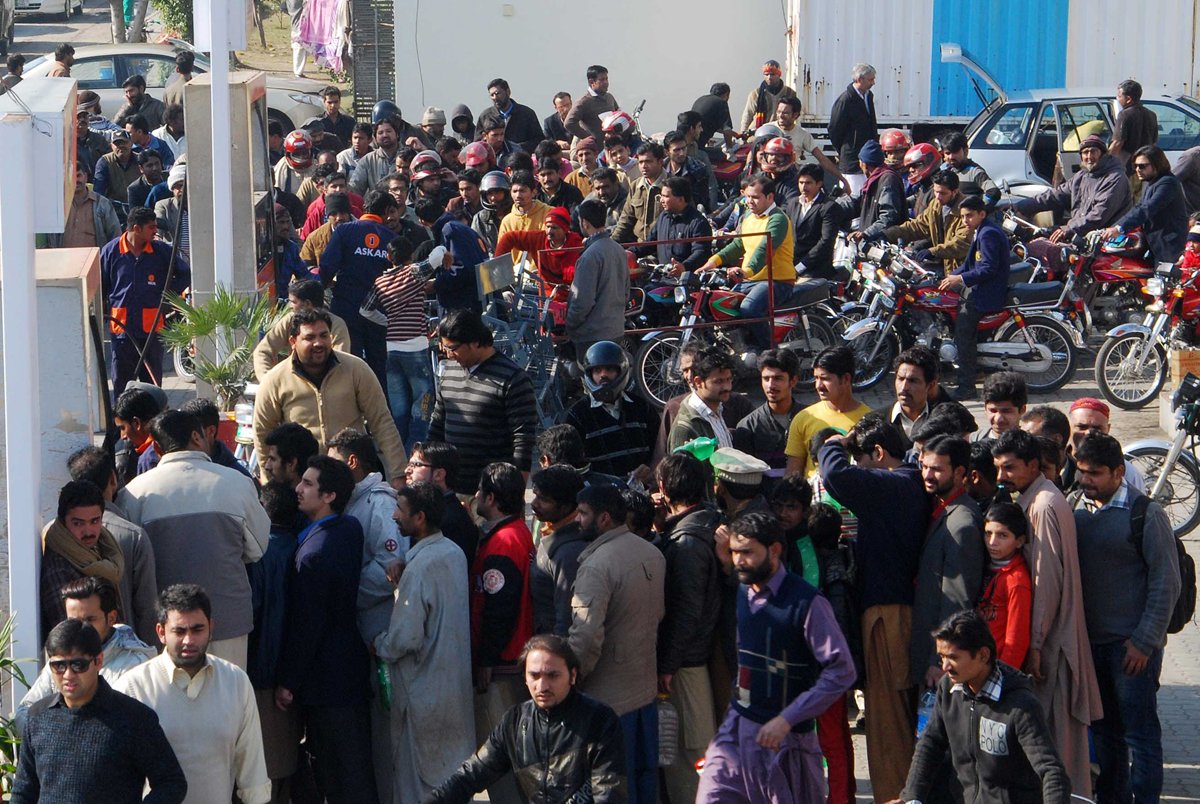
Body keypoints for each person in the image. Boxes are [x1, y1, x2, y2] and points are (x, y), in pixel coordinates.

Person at [698, 511, 856, 803]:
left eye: (747, 553)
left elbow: (842, 670)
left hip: (788, 743)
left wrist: (788, 718)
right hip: (736, 732)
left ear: (774, 550)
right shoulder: (744, 591)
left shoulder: (807, 603)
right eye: (734, 552)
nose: (738, 561)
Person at [818, 415, 930, 801]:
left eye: (862, 459)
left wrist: (836, 443)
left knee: (888, 721)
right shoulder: (911, 481)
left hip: (888, 613)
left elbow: (835, 477)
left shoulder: (893, 484)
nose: (860, 468)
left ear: (878, 453)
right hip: (899, 609)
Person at [991, 429, 1102, 799]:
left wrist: (1035, 645)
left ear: (1034, 466)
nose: (1001, 477)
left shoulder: (1041, 505)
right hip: (1052, 639)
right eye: (998, 468)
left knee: (1057, 750)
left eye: (1009, 468)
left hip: (1054, 644)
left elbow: (1046, 581)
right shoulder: (1039, 498)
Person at [1072, 432, 1180, 804]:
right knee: (1105, 736)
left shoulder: (1145, 514)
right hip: (1092, 647)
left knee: (1141, 737)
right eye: (1081, 471)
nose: (1086, 480)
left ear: (1119, 472)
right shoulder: (1074, 507)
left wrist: (1144, 642)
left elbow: (1166, 583)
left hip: (1132, 652)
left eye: (1095, 474)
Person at [118, 411, 271, 667]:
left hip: (167, 626)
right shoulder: (238, 483)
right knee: (226, 698)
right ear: (198, 437)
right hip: (227, 620)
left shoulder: (133, 494)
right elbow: (257, 548)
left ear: (156, 446)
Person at [273, 457, 378, 802]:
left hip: (326, 679)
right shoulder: (348, 529)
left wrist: (289, 681)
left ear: (329, 495)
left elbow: (308, 624)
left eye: (307, 484)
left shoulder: (313, 554)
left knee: (340, 772)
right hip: (348, 668)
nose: (298, 489)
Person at [894, 610, 1071, 804]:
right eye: (941, 657)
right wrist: (911, 797)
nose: (945, 666)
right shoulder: (949, 688)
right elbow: (930, 744)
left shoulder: (1020, 705)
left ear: (983, 655)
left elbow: (1052, 772)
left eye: (953, 657)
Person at [115, 584, 270, 803]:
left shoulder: (236, 682)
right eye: (179, 631)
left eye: (197, 630)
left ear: (211, 628)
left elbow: (252, 770)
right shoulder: (132, 688)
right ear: (161, 632)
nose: (189, 640)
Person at [428, 635, 626, 802]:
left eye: (553, 676)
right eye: (534, 676)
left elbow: (609, 793)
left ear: (572, 676)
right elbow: (471, 774)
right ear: (524, 677)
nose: (542, 686)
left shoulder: (600, 721)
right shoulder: (515, 722)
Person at [373, 482, 474, 804]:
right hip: (453, 691)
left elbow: (405, 638)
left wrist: (379, 642)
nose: (394, 515)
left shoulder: (422, 566)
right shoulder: (453, 553)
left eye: (400, 510)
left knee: (418, 786)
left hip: (422, 694)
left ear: (419, 518)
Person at [13, 618, 186, 804]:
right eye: (59, 666)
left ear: (98, 661)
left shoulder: (134, 718)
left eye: (78, 665)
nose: (68, 675)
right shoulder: (38, 717)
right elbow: (24, 792)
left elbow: (171, 783)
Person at [568, 483, 666, 804]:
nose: (577, 520)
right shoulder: (651, 552)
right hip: (644, 695)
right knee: (643, 782)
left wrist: (569, 681)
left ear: (605, 518)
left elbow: (585, 637)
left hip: (607, 703)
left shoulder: (597, 566)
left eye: (583, 514)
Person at [253, 308, 408, 485]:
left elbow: (382, 421)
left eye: (324, 335)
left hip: (353, 479)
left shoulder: (356, 369)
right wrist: (269, 482)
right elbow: (262, 433)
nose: (318, 343)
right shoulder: (275, 380)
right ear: (293, 341)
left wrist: (398, 474)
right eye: (310, 338)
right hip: (303, 485)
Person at [654, 452, 723, 803]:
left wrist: (667, 665)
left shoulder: (685, 544)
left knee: (690, 754)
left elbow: (686, 612)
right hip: (703, 656)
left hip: (688, 665)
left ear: (664, 489)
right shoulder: (708, 524)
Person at [469, 462, 535, 804]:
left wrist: (486, 660)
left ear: (491, 498)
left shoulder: (503, 543)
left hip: (503, 668)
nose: (476, 496)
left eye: (480, 492)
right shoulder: (518, 532)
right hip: (513, 661)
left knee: (502, 759)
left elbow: (500, 608)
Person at [18, 577, 156, 733]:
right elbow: (25, 713)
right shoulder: (60, 658)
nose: (81, 628)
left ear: (111, 618)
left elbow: (130, 725)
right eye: (72, 621)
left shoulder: (134, 663)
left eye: (89, 620)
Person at [428, 310, 537, 493]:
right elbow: (437, 423)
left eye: (453, 348)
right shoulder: (449, 371)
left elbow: (523, 442)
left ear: (475, 342)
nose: (448, 355)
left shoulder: (513, 378)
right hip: (451, 490)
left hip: (492, 495)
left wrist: (515, 494)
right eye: (444, 348)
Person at [912, 435, 985, 691]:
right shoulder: (940, 508)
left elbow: (957, 601)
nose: (928, 475)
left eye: (937, 469)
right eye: (925, 467)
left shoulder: (961, 524)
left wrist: (939, 659)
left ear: (960, 472)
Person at [65, 446, 159, 644]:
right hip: (124, 653)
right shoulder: (133, 536)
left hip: (72, 654)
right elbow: (147, 608)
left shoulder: (54, 534)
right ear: (113, 480)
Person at [246, 482, 303, 804]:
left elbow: (253, 609)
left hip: (261, 669)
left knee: (263, 763)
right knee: (282, 760)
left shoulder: (258, 552)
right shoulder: (300, 543)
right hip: (288, 669)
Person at [100, 206, 191, 397]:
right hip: (122, 331)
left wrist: (167, 295)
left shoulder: (161, 251)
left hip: (152, 329)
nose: (155, 231)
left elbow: (185, 273)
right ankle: (121, 425)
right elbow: (101, 285)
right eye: (151, 227)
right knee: (122, 385)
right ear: (136, 228)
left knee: (152, 385)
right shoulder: (111, 251)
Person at [697, 174, 796, 350]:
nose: (750, 201)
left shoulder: (777, 219)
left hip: (776, 281)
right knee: (722, 306)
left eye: (756, 197)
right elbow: (738, 244)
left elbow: (764, 250)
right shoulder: (749, 217)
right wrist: (712, 262)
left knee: (749, 308)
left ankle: (770, 353)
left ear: (770, 197)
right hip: (750, 280)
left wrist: (747, 271)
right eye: (748, 196)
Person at [1011, 134, 1133, 276]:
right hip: (1078, 234)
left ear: (1103, 154)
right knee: (1032, 245)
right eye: (1085, 153)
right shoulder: (1082, 176)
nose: (1089, 156)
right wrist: (1020, 206)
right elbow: (1055, 196)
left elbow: (1099, 215)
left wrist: (1067, 229)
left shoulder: (1115, 178)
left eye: (1093, 151)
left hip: (1101, 241)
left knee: (1048, 252)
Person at [326, 428, 405, 645]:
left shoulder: (380, 503)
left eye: (334, 462)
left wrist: (350, 591)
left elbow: (389, 568)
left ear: (352, 461)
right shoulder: (351, 500)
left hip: (379, 622)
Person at [938, 195, 1010, 398]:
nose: (964, 221)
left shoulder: (988, 234)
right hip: (979, 288)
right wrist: (950, 277)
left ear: (982, 214)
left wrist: (959, 278)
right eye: (962, 217)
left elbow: (987, 268)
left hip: (987, 293)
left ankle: (967, 386)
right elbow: (971, 265)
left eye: (969, 216)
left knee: (964, 334)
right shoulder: (982, 230)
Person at [39, 480, 126, 642]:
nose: (88, 531)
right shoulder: (59, 568)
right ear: (63, 521)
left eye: (94, 521)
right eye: (78, 523)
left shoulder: (103, 546)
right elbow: (67, 638)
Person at [560, 341, 658, 478]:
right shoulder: (577, 415)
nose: (603, 376)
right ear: (589, 374)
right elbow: (570, 466)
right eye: (597, 370)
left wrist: (649, 468)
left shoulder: (642, 408)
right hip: (599, 495)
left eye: (609, 370)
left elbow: (658, 450)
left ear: (621, 372)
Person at [785, 345, 872, 476]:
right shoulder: (803, 418)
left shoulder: (869, 420)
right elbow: (793, 473)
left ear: (846, 379)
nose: (818, 386)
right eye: (816, 378)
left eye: (825, 379)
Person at [1099, 144, 1188, 265]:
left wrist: (1119, 228)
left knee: (1163, 282)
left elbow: (1147, 208)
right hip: (1152, 244)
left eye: (1142, 166)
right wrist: (1114, 227)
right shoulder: (1151, 182)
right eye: (1135, 166)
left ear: (1157, 164)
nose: (1137, 170)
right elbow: (1138, 207)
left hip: (1168, 247)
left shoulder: (1168, 183)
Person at [529, 464, 588, 634]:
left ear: (566, 506)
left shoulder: (568, 553)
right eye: (535, 496)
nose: (534, 504)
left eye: (543, 500)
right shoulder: (553, 531)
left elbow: (566, 617)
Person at [252, 278, 350, 380]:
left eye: (293, 302)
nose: (289, 306)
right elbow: (262, 351)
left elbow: (339, 362)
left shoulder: (337, 325)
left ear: (307, 304)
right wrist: (267, 381)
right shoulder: (290, 320)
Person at [567, 199, 630, 354]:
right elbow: (626, 291)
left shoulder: (589, 256)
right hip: (616, 330)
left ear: (584, 223)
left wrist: (570, 324)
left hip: (591, 335)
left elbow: (582, 300)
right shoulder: (619, 249)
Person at [879, 169, 971, 272]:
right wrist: (888, 234)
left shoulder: (968, 211)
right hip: (944, 266)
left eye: (942, 193)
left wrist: (932, 251)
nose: (938, 197)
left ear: (955, 191)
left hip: (963, 272)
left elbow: (961, 243)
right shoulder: (935, 205)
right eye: (936, 192)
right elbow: (919, 226)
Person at [978, 501, 1034, 669]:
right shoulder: (984, 566)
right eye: (988, 533)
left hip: (997, 668)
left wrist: (1003, 679)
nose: (992, 542)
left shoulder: (1016, 581)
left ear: (1019, 541)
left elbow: (1016, 641)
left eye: (1002, 535)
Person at [733, 348, 804, 479]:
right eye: (766, 379)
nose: (770, 385)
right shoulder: (748, 426)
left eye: (778, 378)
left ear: (793, 381)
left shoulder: (808, 419)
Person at [406, 441, 480, 565]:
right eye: (409, 464)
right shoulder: (432, 508)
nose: (407, 470)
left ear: (439, 474)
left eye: (416, 464)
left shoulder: (451, 520)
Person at [1065, 396, 1147, 492]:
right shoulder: (1055, 461)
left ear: (1108, 429)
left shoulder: (1127, 472)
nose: (1088, 433)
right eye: (1082, 427)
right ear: (1069, 427)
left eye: (1097, 428)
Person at [872, 345, 950, 447]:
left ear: (930, 385)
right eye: (900, 378)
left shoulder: (945, 424)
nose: (904, 387)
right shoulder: (875, 422)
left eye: (913, 381)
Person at [669, 347, 738, 451]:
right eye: (718, 382)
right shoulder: (686, 427)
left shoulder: (717, 409)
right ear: (698, 382)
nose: (727, 387)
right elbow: (680, 466)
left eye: (729, 379)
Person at [784, 163, 841, 279]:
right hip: (790, 265)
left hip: (815, 270)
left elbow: (825, 242)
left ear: (819, 184)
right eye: (801, 183)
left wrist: (800, 267)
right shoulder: (793, 203)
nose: (804, 187)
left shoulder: (829, 207)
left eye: (808, 183)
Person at [828, 63, 878, 194]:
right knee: (853, 196)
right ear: (860, 79)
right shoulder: (845, 100)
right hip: (852, 161)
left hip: (867, 160)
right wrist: (846, 149)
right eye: (870, 79)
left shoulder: (868, 96)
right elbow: (834, 129)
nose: (873, 83)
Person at [646, 175, 713, 271]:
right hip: (663, 277)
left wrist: (684, 267)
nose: (661, 200)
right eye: (662, 196)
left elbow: (701, 252)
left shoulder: (698, 223)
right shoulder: (663, 217)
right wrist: (629, 253)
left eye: (666, 196)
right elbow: (650, 243)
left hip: (686, 280)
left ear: (681, 199)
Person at [51, 164, 122, 249]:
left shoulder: (102, 204)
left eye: (78, 176)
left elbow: (115, 235)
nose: (76, 180)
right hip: (65, 259)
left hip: (95, 260)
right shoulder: (59, 206)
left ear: (85, 177)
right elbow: (50, 238)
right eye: (71, 176)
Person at [613, 141, 666, 244]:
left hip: (664, 247)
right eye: (640, 162)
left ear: (660, 162)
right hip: (641, 247)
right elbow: (626, 219)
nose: (644, 166)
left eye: (648, 161)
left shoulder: (673, 185)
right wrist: (612, 243)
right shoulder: (635, 186)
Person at [938, 131, 1001, 209]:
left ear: (965, 151)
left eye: (955, 152)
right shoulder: (944, 170)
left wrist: (978, 211)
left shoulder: (974, 172)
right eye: (948, 153)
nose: (951, 157)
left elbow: (993, 192)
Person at [1110, 79, 1159, 173]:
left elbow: (1117, 143)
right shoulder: (1152, 115)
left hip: (1128, 167)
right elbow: (1153, 143)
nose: (1117, 99)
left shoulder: (1124, 115)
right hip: (1146, 166)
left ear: (1128, 99)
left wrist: (1105, 162)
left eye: (1119, 96)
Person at [564, 65, 619, 143]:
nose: (606, 82)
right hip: (597, 150)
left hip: (614, 146)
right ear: (591, 82)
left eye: (606, 79)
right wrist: (589, 138)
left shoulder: (609, 97)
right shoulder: (583, 102)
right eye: (602, 80)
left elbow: (617, 114)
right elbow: (569, 123)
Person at [739, 59, 796, 132]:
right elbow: (748, 115)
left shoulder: (789, 93)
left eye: (772, 74)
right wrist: (743, 134)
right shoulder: (756, 93)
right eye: (766, 74)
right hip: (758, 131)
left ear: (779, 75)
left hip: (782, 132)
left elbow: (795, 115)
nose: (769, 77)